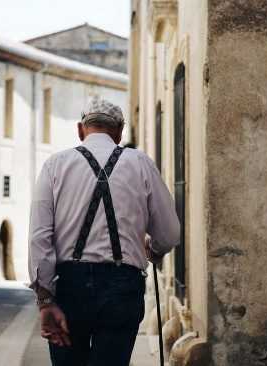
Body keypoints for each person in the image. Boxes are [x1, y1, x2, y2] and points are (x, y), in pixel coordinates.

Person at [28, 96, 180, 366]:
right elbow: (168, 233)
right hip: (122, 286)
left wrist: (45, 299)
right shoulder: (141, 163)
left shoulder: (55, 165)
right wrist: (153, 250)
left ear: (80, 129)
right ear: (120, 132)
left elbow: (40, 238)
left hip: (70, 288)